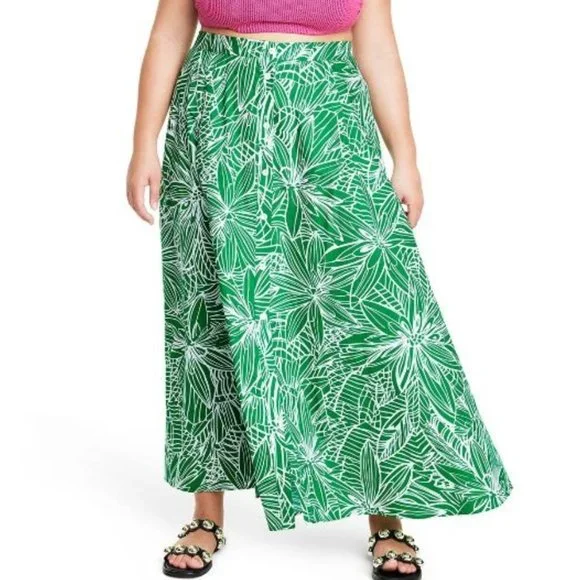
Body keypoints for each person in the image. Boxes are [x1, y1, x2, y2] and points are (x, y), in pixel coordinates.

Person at [127, 1, 512, 578]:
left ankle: (387, 513)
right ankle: (207, 512)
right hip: (216, 123)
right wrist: (143, 144)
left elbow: (377, 46)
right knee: (211, 313)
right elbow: (168, 32)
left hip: (330, 126)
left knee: (368, 313)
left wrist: (405, 157)